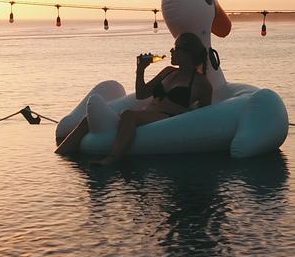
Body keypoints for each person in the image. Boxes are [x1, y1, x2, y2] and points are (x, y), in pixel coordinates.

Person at [55, 32, 214, 161]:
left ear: (186, 53)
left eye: (175, 48)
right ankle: (60, 154)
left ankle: (112, 157)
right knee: (87, 120)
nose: (171, 51)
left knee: (129, 115)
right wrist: (141, 70)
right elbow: (142, 94)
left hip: (168, 119)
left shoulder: (202, 84)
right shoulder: (168, 71)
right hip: (147, 114)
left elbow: (205, 114)